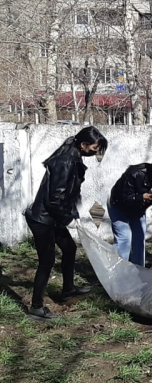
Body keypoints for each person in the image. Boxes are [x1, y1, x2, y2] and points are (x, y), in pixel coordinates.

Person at [24, 126, 108, 321]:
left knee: (69, 248)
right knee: (47, 261)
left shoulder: (73, 155)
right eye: (95, 148)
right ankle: (36, 307)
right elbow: (54, 199)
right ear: (84, 145)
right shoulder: (65, 161)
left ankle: (68, 290)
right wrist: (67, 219)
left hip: (54, 216)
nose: (95, 152)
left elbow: (68, 195)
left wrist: (73, 214)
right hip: (42, 219)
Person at [108, 155, 152, 266]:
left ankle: (138, 271)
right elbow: (125, 197)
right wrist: (142, 197)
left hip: (138, 209)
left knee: (139, 238)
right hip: (118, 205)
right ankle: (118, 272)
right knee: (124, 238)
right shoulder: (135, 173)